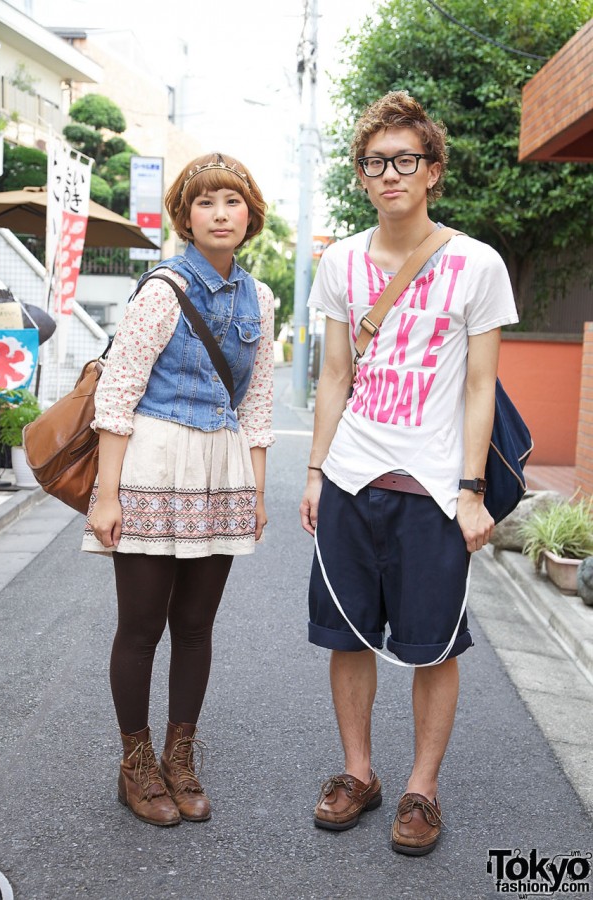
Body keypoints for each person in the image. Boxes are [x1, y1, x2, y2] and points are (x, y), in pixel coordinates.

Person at [299, 92, 518, 855]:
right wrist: (317, 471)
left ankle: (422, 788)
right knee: (348, 637)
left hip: (432, 490)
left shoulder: (475, 263)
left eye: (405, 160)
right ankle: (360, 773)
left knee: (434, 646)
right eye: (375, 162)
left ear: (433, 172)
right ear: (362, 177)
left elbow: (480, 386)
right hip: (352, 480)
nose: (389, 173)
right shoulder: (340, 261)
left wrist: (469, 488)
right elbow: (334, 373)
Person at [82, 152, 274, 827]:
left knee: (196, 627)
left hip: (220, 473)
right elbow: (118, 393)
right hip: (154, 465)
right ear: (185, 217)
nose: (220, 214)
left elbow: (256, 405)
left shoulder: (260, 297)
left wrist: (254, 491)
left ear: (250, 214)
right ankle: (135, 765)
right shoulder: (162, 290)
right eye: (205, 203)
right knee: (141, 627)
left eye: (232, 201)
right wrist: (107, 497)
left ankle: (180, 757)